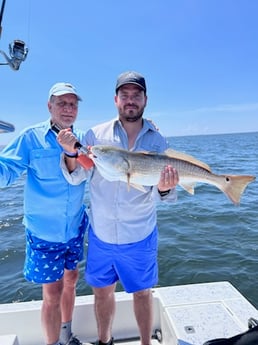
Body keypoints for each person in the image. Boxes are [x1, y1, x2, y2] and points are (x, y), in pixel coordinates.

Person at [58, 71, 179, 345]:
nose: (130, 101)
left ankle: (147, 343)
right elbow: (78, 175)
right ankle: (105, 342)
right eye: (125, 95)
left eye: (136, 95)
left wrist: (165, 187)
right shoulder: (95, 135)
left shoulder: (158, 141)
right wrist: (69, 153)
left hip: (140, 234)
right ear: (116, 100)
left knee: (143, 293)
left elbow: (165, 194)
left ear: (145, 99)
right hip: (101, 235)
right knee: (102, 293)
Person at [0, 82, 88, 345]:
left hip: (73, 227)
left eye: (73, 104)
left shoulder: (84, 137)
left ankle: (66, 335)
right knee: (52, 292)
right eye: (62, 103)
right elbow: (5, 173)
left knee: (71, 280)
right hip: (44, 232)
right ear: (49, 106)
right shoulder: (30, 137)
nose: (68, 109)